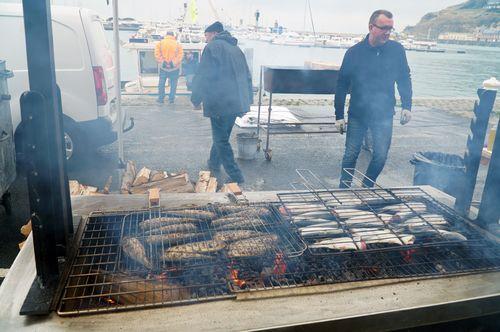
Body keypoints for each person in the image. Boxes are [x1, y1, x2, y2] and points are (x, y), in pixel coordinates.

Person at [335, 9, 412, 188]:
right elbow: (341, 84)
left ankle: (366, 186)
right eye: (384, 27)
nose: (388, 32)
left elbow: (404, 78)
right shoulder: (354, 53)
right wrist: (338, 115)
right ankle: (343, 190)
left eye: (391, 28)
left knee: (381, 155)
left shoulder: (397, 50)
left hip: (383, 113)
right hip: (358, 113)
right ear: (371, 27)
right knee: (351, 155)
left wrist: (407, 106)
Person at [191, 21, 253, 184]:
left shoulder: (212, 48)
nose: (206, 40)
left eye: (206, 36)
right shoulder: (236, 49)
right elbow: (247, 75)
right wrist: (247, 102)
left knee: (221, 139)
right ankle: (213, 163)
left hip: (220, 101)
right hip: (235, 101)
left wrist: (196, 99)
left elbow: (203, 75)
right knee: (222, 135)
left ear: (214, 33)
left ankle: (236, 174)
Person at [154, 31, 183, 104]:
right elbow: (180, 56)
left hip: (163, 68)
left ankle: (161, 99)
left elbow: (157, 54)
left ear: (166, 35)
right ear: (173, 35)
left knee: (161, 84)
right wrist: (172, 63)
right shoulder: (177, 44)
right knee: (173, 84)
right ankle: (171, 99)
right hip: (174, 68)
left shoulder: (160, 43)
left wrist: (164, 63)